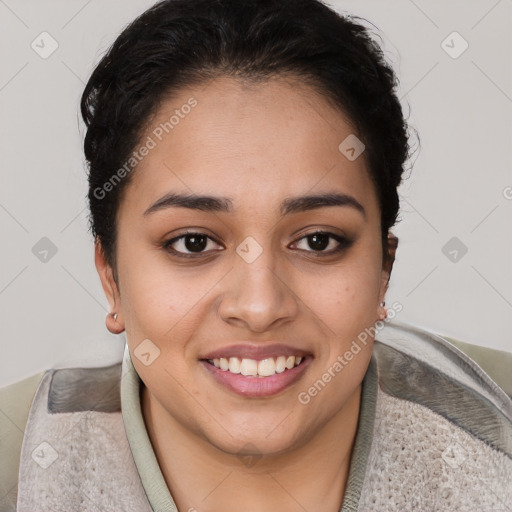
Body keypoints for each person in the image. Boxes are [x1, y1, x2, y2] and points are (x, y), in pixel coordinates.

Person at [1, 0, 511, 511]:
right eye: (193, 243)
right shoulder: (17, 463)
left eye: (317, 241)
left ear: (383, 269)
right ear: (111, 276)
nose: (260, 306)